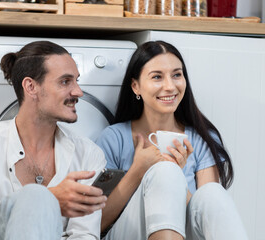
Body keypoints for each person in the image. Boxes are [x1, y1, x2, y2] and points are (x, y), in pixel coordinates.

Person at [0, 41, 108, 240]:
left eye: (76, 81)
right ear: (31, 86)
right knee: (35, 194)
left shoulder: (89, 154)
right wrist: (47, 199)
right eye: (65, 82)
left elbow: (85, 235)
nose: (78, 91)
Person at [96, 41, 248, 240]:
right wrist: (138, 172)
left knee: (212, 192)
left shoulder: (202, 139)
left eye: (177, 74)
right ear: (136, 86)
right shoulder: (113, 138)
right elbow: (96, 224)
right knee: (165, 172)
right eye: (157, 77)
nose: (170, 86)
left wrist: (175, 174)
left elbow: (203, 217)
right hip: (125, 234)